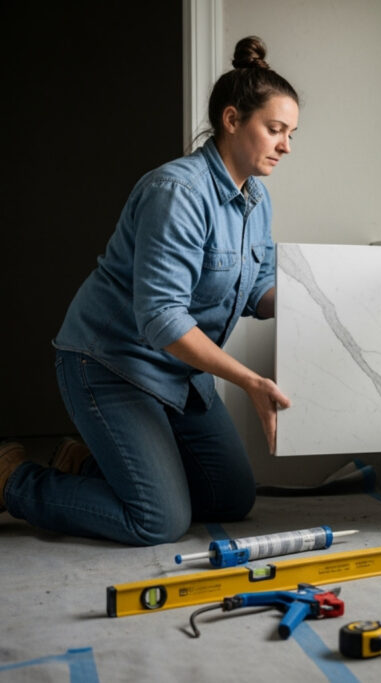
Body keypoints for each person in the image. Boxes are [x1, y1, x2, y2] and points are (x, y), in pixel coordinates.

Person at [0, 36, 298, 546]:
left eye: (291, 134)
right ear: (231, 120)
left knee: (231, 498)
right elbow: (162, 318)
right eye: (275, 130)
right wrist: (250, 381)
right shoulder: (176, 192)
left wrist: (325, 302)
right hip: (113, 363)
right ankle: (13, 479)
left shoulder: (257, 199)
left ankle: (86, 464)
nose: (286, 146)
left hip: (180, 370)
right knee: (158, 521)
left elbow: (259, 291)